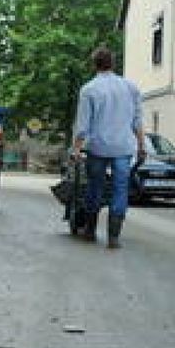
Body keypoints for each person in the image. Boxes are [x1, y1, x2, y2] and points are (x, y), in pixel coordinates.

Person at [70, 46, 145, 248]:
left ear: (94, 65)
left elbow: (83, 124)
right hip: (123, 147)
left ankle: (90, 231)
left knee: (95, 186)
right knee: (120, 189)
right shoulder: (131, 87)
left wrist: (76, 149)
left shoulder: (89, 89)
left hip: (98, 147)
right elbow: (137, 121)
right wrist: (141, 146)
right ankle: (113, 237)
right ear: (113, 63)